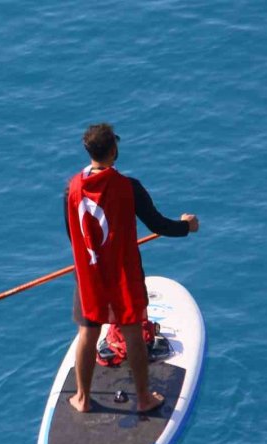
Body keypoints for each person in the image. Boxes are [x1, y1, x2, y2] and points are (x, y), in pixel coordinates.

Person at [64, 123, 199, 413]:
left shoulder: (72, 187)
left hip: (88, 273)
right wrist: (187, 226)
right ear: (114, 150)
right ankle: (144, 398)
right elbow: (158, 225)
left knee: (88, 333)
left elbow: (71, 231)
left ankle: (83, 399)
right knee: (133, 332)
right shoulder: (128, 187)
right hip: (123, 274)